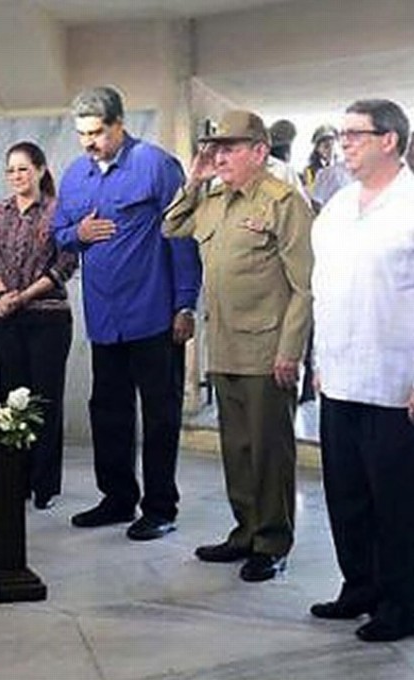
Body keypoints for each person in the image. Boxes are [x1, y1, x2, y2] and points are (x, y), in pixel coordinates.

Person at [163, 110, 313, 582]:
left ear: (259, 152)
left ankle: (272, 541)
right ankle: (244, 530)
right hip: (225, 345)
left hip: (268, 349)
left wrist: (291, 351)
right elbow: (171, 226)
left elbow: (305, 286)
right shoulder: (211, 197)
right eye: (214, 147)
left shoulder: (283, 201)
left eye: (228, 148)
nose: (218, 155)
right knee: (238, 447)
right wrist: (193, 179)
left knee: (270, 451)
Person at [52, 86, 201, 541]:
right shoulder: (75, 175)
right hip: (104, 317)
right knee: (108, 411)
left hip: (154, 315)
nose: (89, 142)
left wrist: (185, 302)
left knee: (159, 413)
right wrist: (76, 231)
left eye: (97, 132)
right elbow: (58, 234)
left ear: (119, 124)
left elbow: (183, 235)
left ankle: (160, 507)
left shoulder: (156, 165)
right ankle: (117, 498)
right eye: (82, 134)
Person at [309, 99, 414, 643]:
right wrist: (323, 361)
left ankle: (402, 602)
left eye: (355, 134)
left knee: (396, 501)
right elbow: (324, 288)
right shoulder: (338, 206)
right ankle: (360, 588)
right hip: (341, 376)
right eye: (341, 133)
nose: (343, 142)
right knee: (345, 494)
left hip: (397, 383)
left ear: (390, 139)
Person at [0, 141, 78, 510]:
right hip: (6, 316)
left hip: (48, 318)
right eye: (10, 170)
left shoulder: (59, 210)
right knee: (10, 400)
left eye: (23, 169)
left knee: (44, 401)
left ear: (39, 169)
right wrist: (5, 295)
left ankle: (44, 485)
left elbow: (64, 265)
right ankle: (13, 480)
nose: (16, 176)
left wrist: (25, 297)